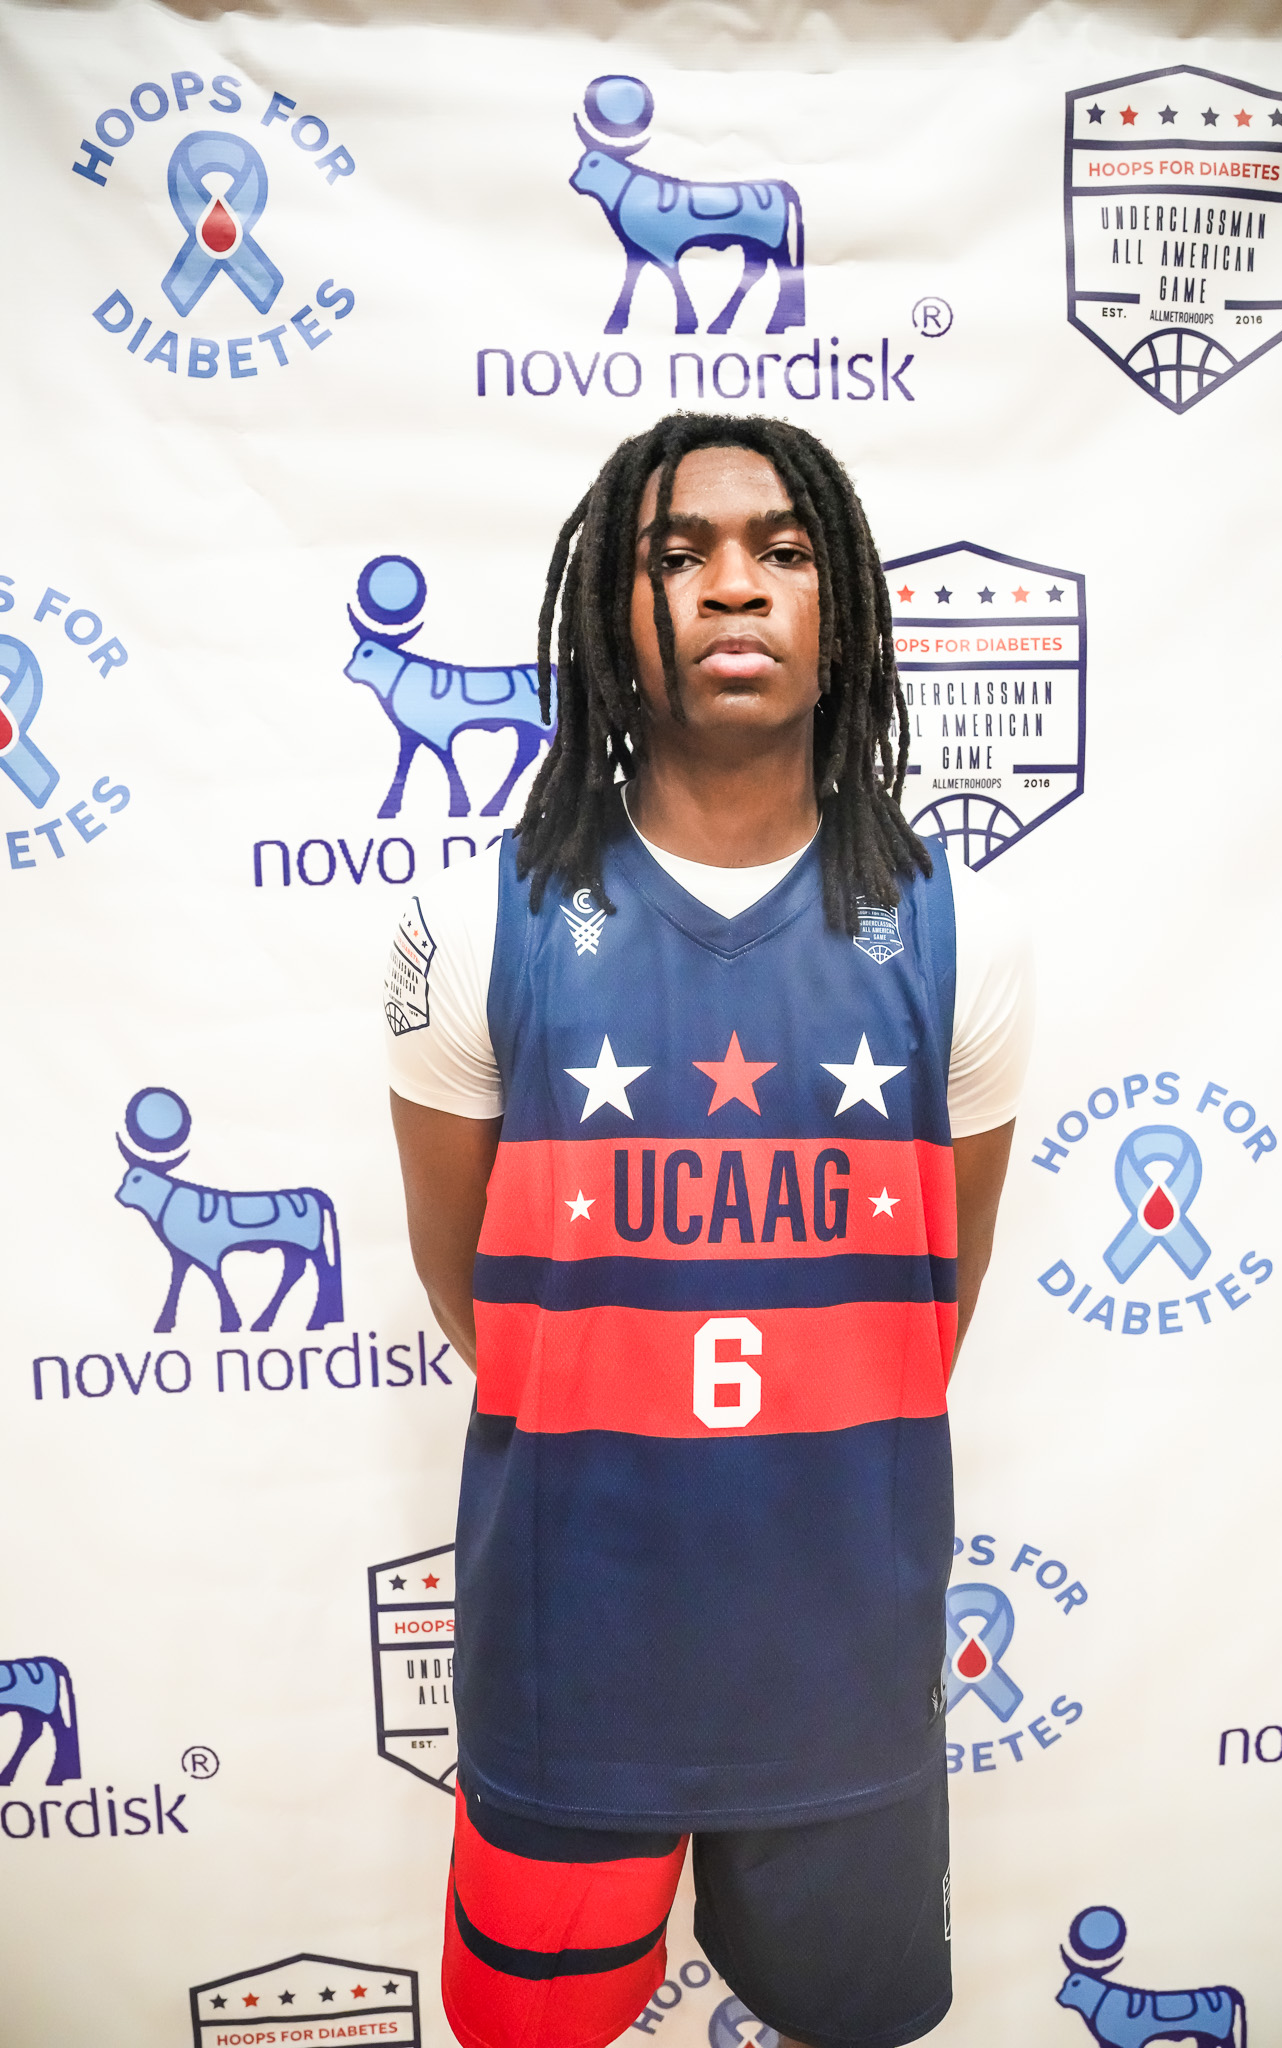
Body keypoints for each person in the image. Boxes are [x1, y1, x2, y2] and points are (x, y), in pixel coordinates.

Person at [386, 414, 1032, 2048]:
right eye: (677, 555)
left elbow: (931, 1297)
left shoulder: (964, 926)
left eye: (782, 551)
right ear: (610, 613)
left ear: (845, 610)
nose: (733, 586)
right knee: (531, 2030)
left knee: (846, 2022)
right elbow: (470, 1287)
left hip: (844, 1665)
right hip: (571, 1659)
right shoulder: (471, 918)